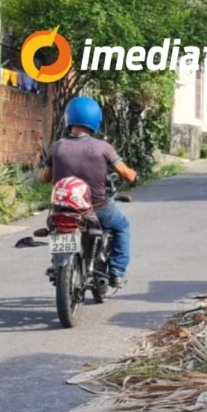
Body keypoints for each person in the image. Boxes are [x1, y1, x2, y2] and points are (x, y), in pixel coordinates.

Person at [41, 96, 137, 288]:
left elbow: (45, 177)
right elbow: (126, 174)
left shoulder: (57, 146)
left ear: (69, 119)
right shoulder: (102, 147)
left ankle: (57, 263)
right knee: (122, 227)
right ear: (95, 120)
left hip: (63, 209)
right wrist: (134, 176)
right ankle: (117, 273)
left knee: (58, 230)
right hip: (97, 208)